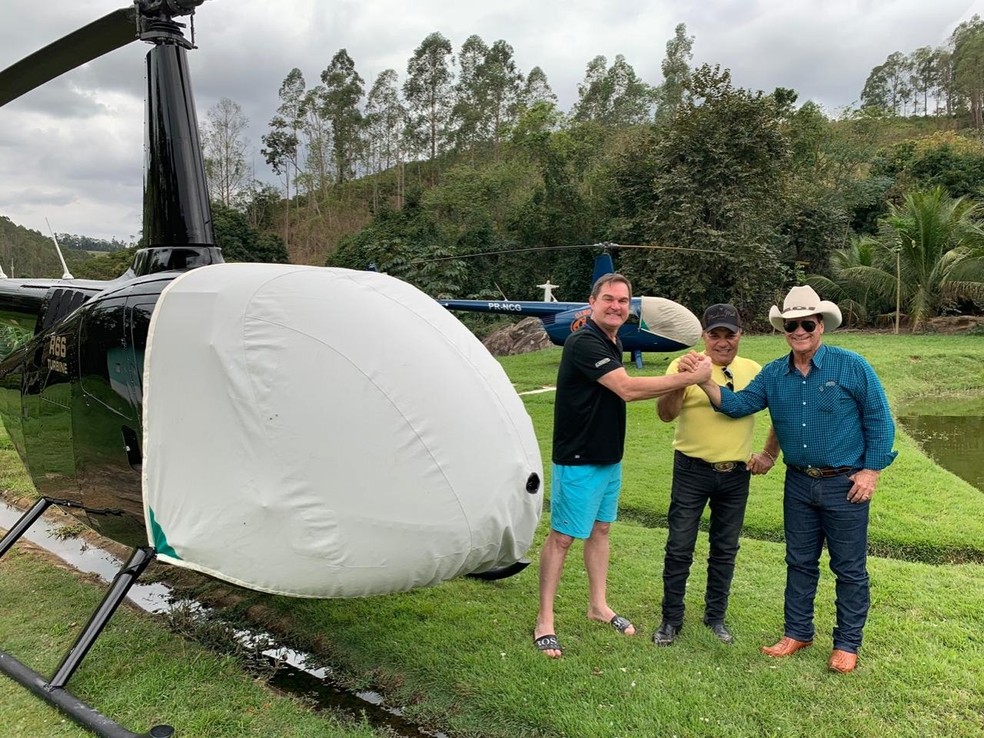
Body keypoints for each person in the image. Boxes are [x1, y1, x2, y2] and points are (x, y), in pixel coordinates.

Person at [688, 285, 897, 674]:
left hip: (845, 483)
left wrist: (871, 471)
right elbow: (738, 405)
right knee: (799, 562)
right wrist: (704, 380)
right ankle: (797, 632)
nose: (798, 331)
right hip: (799, 483)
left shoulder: (851, 366)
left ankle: (847, 644)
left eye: (806, 323)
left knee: (849, 567)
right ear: (783, 329)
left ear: (820, 325)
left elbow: (879, 420)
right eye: (791, 324)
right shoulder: (774, 374)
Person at [533, 273, 712, 658]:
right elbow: (626, 389)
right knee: (563, 537)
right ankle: (544, 620)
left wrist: (683, 374)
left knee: (600, 531)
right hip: (578, 456)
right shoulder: (584, 340)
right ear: (592, 301)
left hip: (608, 454)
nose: (616, 306)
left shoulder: (612, 340)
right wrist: (688, 377)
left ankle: (598, 606)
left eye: (623, 301)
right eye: (609, 299)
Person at [652, 304, 773, 647]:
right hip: (692, 469)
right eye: (714, 335)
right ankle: (671, 619)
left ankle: (715, 617)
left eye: (729, 334)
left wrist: (768, 453)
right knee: (679, 546)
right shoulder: (683, 364)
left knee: (725, 548)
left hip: (735, 473)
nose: (722, 342)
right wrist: (683, 380)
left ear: (740, 336)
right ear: (704, 336)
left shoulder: (754, 370)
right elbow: (664, 414)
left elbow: (781, 413)